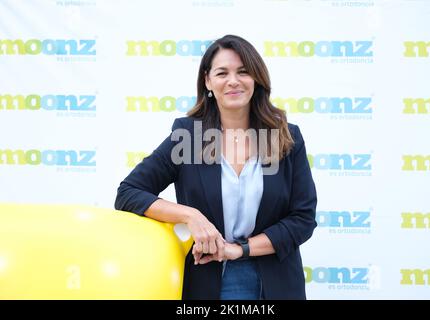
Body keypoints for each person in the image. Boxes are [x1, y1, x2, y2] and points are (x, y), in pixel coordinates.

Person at [114, 35, 317, 300]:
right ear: (208, 81)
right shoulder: (190, 136)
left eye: (243, 72)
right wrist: (190, 216)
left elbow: (302, 219)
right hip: (208, 281)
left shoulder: (284, 137)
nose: (233, 81)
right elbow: (128, 192)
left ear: (256, 79)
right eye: (222, 73)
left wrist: (240, 249)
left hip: (276, 281)